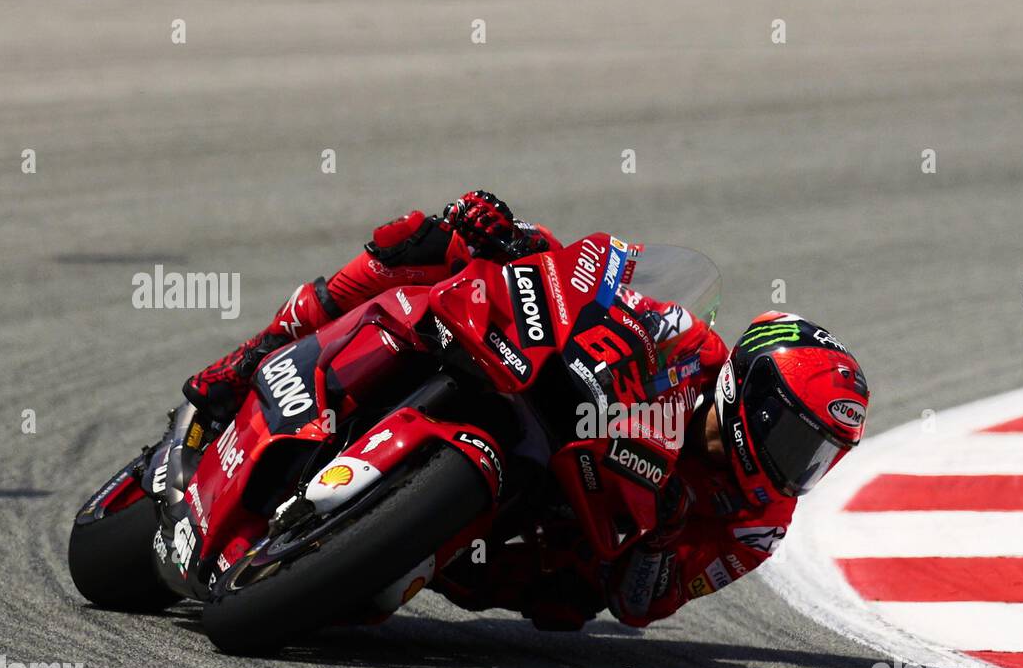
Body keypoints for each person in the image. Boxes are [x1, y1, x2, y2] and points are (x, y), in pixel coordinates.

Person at [182, 191, 870, 630]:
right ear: (750, 390)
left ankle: (374, 550)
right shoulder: (690, 341)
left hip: (553, 525)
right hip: (532, 390)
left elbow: (643, 604)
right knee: (424, 242)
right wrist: (516, 237)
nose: (796, 467)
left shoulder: (755, 526)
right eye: (796, 439)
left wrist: (658, 538)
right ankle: (248, 358)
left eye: (818, 458)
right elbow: (590, 281)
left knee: (563, 603)